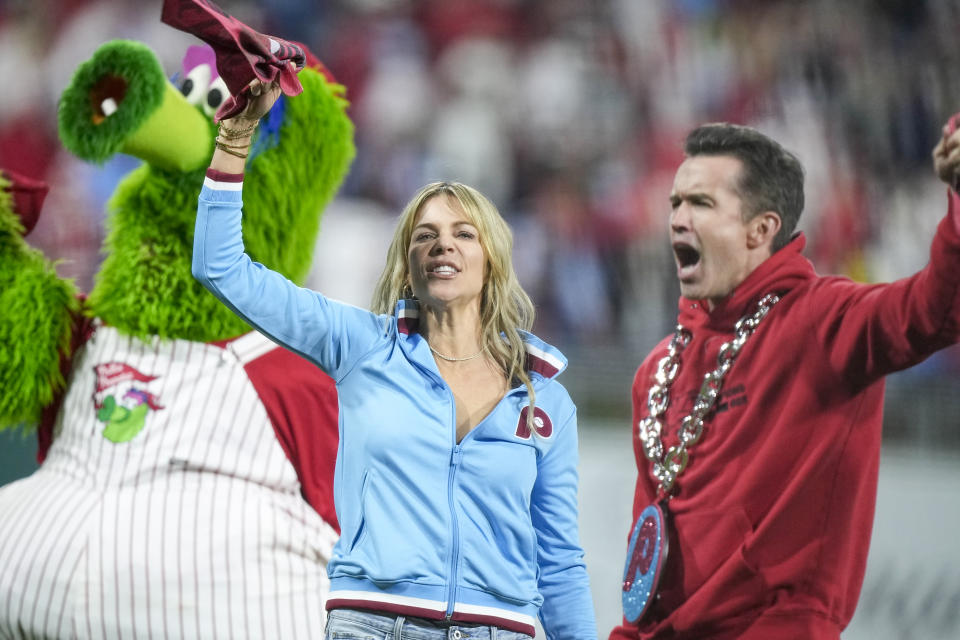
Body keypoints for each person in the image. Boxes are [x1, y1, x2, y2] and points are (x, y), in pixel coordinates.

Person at [192, 76, 598, 640]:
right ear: (408, 265)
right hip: (373, 623)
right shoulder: (360, 346)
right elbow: (221, 268)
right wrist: (235, 140)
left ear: (493, 261)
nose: (443, 245)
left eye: (463, 233)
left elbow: (560, 560)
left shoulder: (544, 395)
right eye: (425, 235)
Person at [610, 121, 960, 640]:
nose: (678, 219)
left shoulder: (823, 321)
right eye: (675, 202)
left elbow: (934, 310)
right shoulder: (657, 371)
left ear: (761, 229)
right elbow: (647, 556)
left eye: (701, 204)